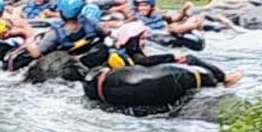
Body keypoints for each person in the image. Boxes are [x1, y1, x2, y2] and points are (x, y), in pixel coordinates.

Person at [102, 21, 241, 86]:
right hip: (141, 75)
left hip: (137, 74)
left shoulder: (123, 49)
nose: (144, 41)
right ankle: (224, 78)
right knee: (189, 58)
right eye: (141, 38)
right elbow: (143, 62)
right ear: (132, 40)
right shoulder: (132, 53)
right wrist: (171, 57)